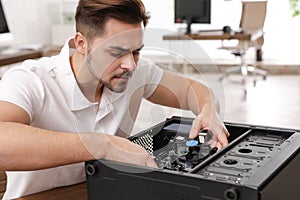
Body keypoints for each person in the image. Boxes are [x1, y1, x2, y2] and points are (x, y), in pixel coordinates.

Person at [0, 0, 229, 198]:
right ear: (81, 43)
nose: (130, 64)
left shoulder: (136, 73)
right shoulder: (30, 79)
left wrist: (210, 110)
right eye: (116, 52)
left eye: (136, 51)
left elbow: (193, 91)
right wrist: (102, 146)